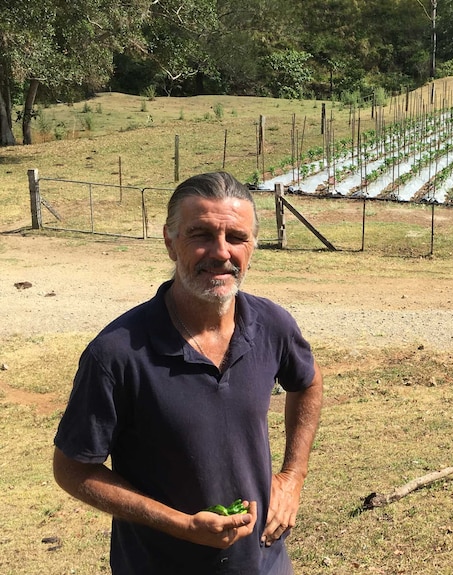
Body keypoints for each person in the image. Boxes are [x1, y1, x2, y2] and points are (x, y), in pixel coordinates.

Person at [53, 171, 323, 575]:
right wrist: (181, 525)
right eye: (200, 235)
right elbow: (72, 469)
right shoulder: (116, 354)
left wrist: (292, 476)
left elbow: (309, 382)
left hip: (264, 564)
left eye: (236, 238)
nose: (220, 253)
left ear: (252, 246)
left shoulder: (271, 325)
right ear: (169, 241)